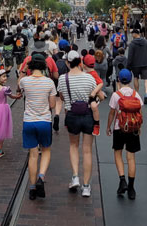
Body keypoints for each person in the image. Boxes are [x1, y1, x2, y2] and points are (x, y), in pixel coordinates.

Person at [57, 51, 98, 197]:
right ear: (80, 62)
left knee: (74, 146)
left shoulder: (63, 79)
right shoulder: (89, 78)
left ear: (68, 63)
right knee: (87, 151)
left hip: (72, 115)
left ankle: (75, 176)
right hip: (87, 115)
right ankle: (86, 186)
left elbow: (61, 97)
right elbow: (98, 96)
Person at [19, 54, 57, 200]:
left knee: (33, 155)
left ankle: (32, 187)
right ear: (44, 67)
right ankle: (41, 176)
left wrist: (23, 71)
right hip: (44, 121)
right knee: (46, 150)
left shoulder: (25, 82)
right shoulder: (49, 83)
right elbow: (52, 105)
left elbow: (18, 87)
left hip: (28, 121)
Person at [106, 69, 143, 200]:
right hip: (132, 128)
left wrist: (108, 127)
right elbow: (139, 113)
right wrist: (139, 127)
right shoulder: (136, 95)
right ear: (131, 80)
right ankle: (132, 188)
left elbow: (112, 113)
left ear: (119, 80)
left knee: (117, 153)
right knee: (131, 158)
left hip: (119, 127)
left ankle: (122, 180)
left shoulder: (116, 95)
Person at [126, 28, 147, 104]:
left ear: (135, 34)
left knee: (136, 78)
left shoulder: (132, 44)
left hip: (135, 64)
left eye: (132, 34)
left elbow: (130, 55)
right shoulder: (146, 42)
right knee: (146, 78)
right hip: (145, 62)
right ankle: (146, 93)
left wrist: (128, 65)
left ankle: (137, 94)